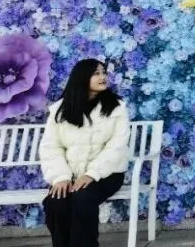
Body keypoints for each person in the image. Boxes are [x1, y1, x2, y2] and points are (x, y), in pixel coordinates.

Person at [40, 60, 130, 247]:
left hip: (106, 174)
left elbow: (117, 146)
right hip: (70, 175)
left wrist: (92, 174)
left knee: (82, 198)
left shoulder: (117, 107)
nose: (103, 77)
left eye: (103, 72)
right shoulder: (60, 109)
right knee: (56, 201)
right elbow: (51, 147)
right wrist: (61, 177)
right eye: (96, 73)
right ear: (82, 77)